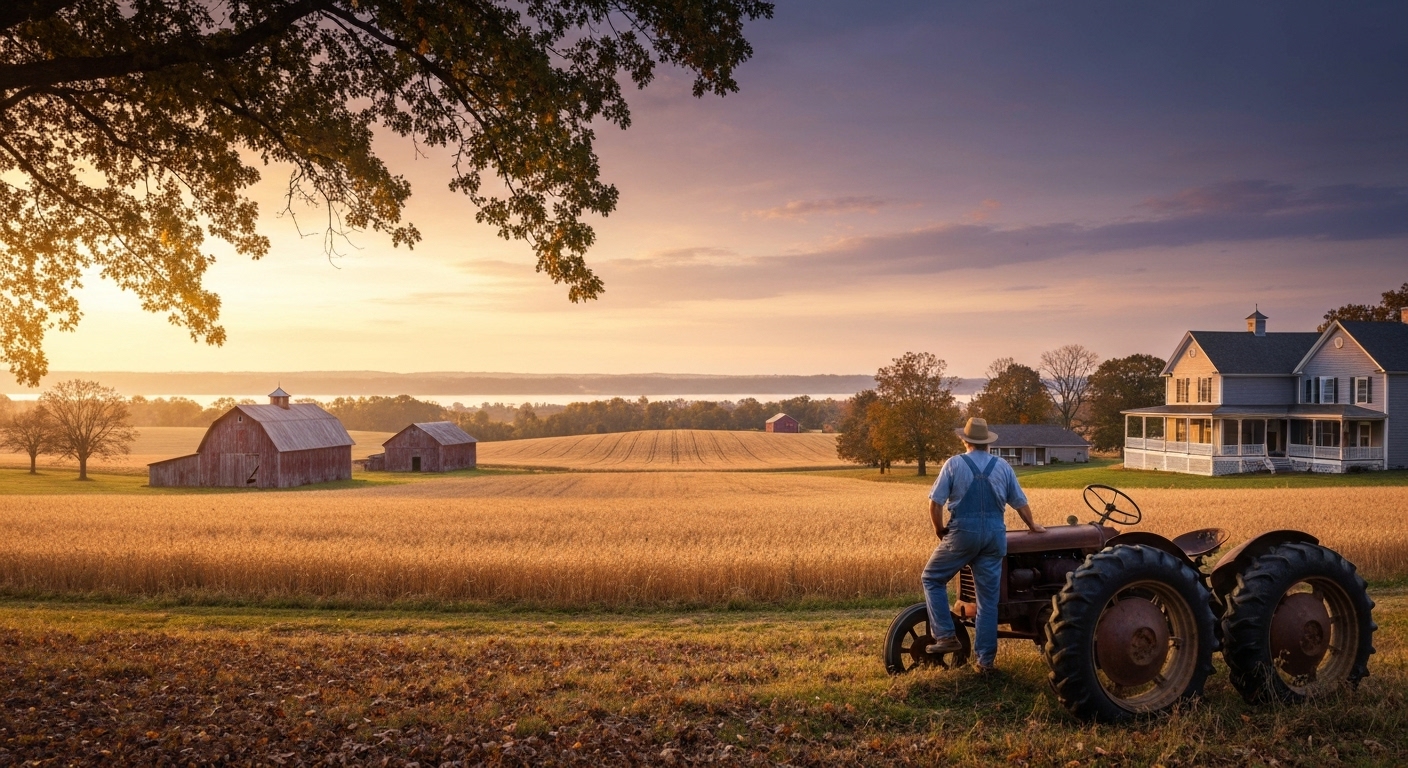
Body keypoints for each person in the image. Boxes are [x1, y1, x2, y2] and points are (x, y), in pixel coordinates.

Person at [923, 417, 1045, 673]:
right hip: (994, 536)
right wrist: (1033, 526)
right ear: (988, 443)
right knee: (988, 602)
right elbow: (1019, 502)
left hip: (963, 533)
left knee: (932, 578)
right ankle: (985, 662)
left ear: (965, 441)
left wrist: (939, 529)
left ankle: (945, 636)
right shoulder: (1002, 466)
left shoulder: (954, 464)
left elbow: (935, 503)